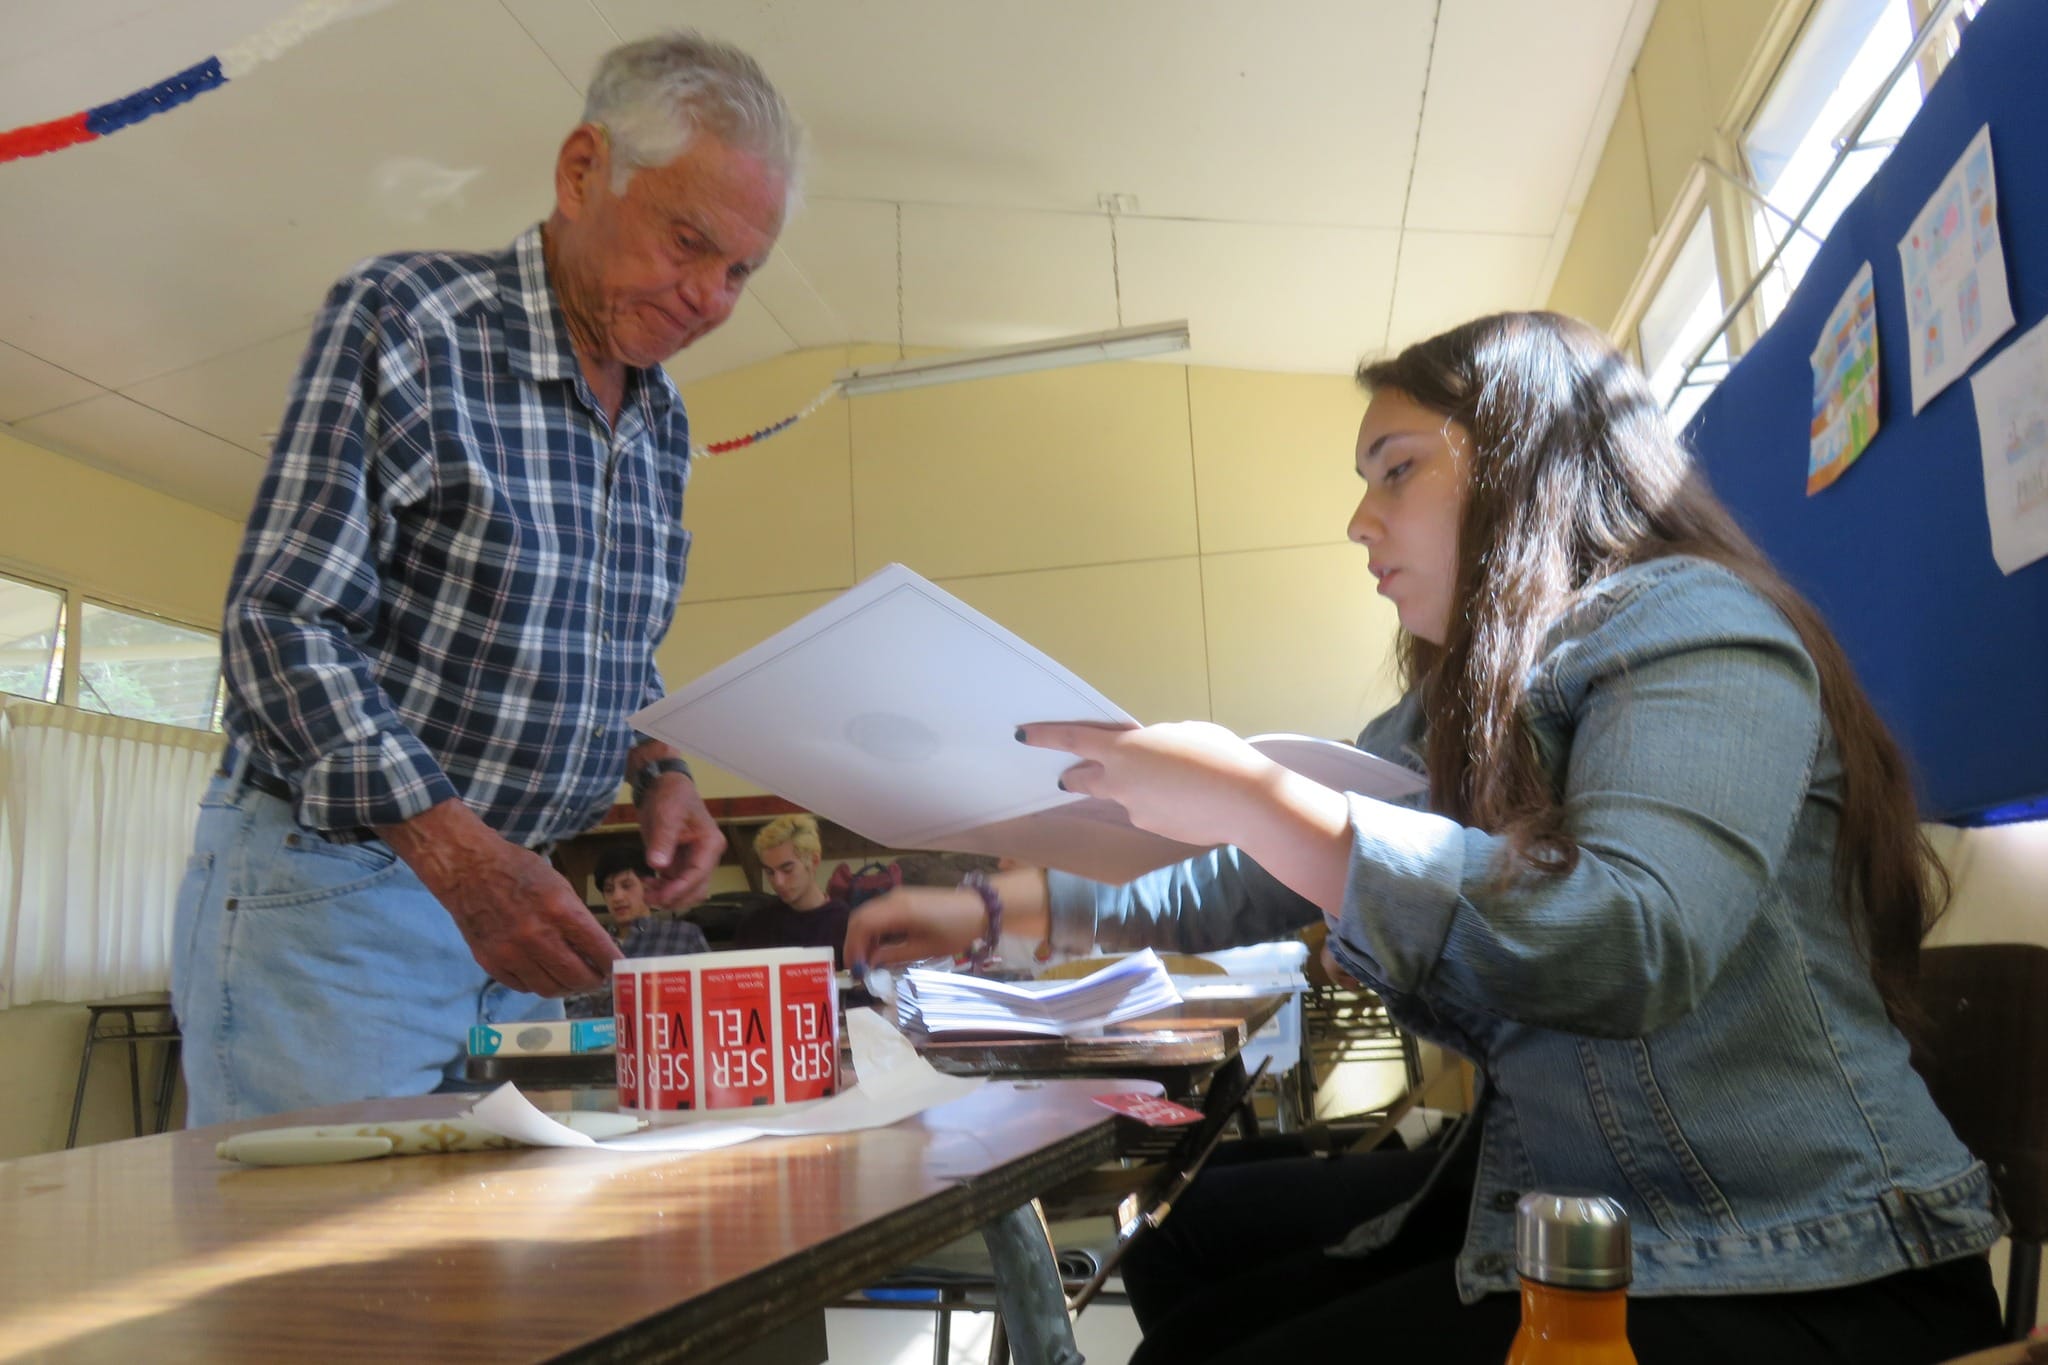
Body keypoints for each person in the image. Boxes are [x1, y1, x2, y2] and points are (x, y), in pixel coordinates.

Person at [847, 312, 2007, 1364]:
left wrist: (1260, 795)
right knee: (1186, 1251)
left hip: (1790, 1255)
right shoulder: (1449, 707)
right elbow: (1251, 879)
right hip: (1583, 1203)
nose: (1359, 520)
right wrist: (998, 908)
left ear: (1528, 461)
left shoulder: (1694, 625)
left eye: (1395, 471)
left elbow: (1633, 936)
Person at [172, 31, 803, 1124]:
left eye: (738, 271)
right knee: (327, 1275)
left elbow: (606, 648)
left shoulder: (659, 421)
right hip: (344, 895)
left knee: (482, 1281)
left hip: (511, 906)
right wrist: (462, 860)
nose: (707, 295)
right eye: (686, 241)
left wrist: (657, 768)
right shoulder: (411, 323)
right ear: (581, 173)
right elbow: (282, 624)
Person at [565, 849, 711, 1018]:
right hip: (595, 1037)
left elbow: (711, 996)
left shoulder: (682, 935)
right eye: (609, 890)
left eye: (627, 886)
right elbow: (570, 1007)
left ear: (648, 888)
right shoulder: (591, 945)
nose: (617, 897)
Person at [736, 814, 852, 966]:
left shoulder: (847, 925)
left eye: (787, 869)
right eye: (770, 872)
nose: (778, 882)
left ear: (814, 861)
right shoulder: (754, 926)